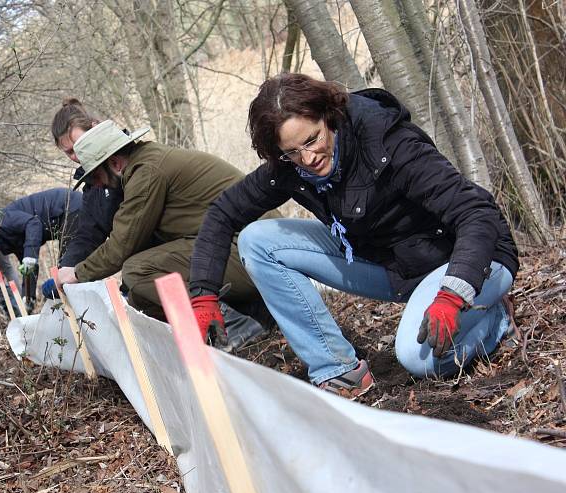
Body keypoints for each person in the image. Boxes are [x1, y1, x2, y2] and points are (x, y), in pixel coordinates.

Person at [189, 73, 519, 397]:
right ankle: (339, 372)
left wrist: (452, 294)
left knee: (418, 359)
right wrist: (204, 293)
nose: (307, 158)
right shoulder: (292, 166)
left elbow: (476, 213)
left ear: (329, 117)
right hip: (399, 267)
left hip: (467, 260)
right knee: (257, 242)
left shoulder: (387, 142)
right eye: (291, 152)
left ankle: (495, 319)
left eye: (312, 139)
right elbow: (223, 213)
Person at [56, 119, 276, 348]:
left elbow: (121, 245)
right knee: (140, 296)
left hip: (255, 252)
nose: (97, 187)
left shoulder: (146, 173)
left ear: (115, 163)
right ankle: (183, 347)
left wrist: (78, 273)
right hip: (237, 246)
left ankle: (234, 324)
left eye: (94, 178)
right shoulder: (146, 161)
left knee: (138, 270)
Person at [43, 98, 126, 299]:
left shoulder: (127, 163)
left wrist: (79, 273)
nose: (76, 154)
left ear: (95, 128)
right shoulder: (93, 185)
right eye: (69, 152)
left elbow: (125, 240)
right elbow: (89, 233)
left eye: (78, 145)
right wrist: (65, 270)